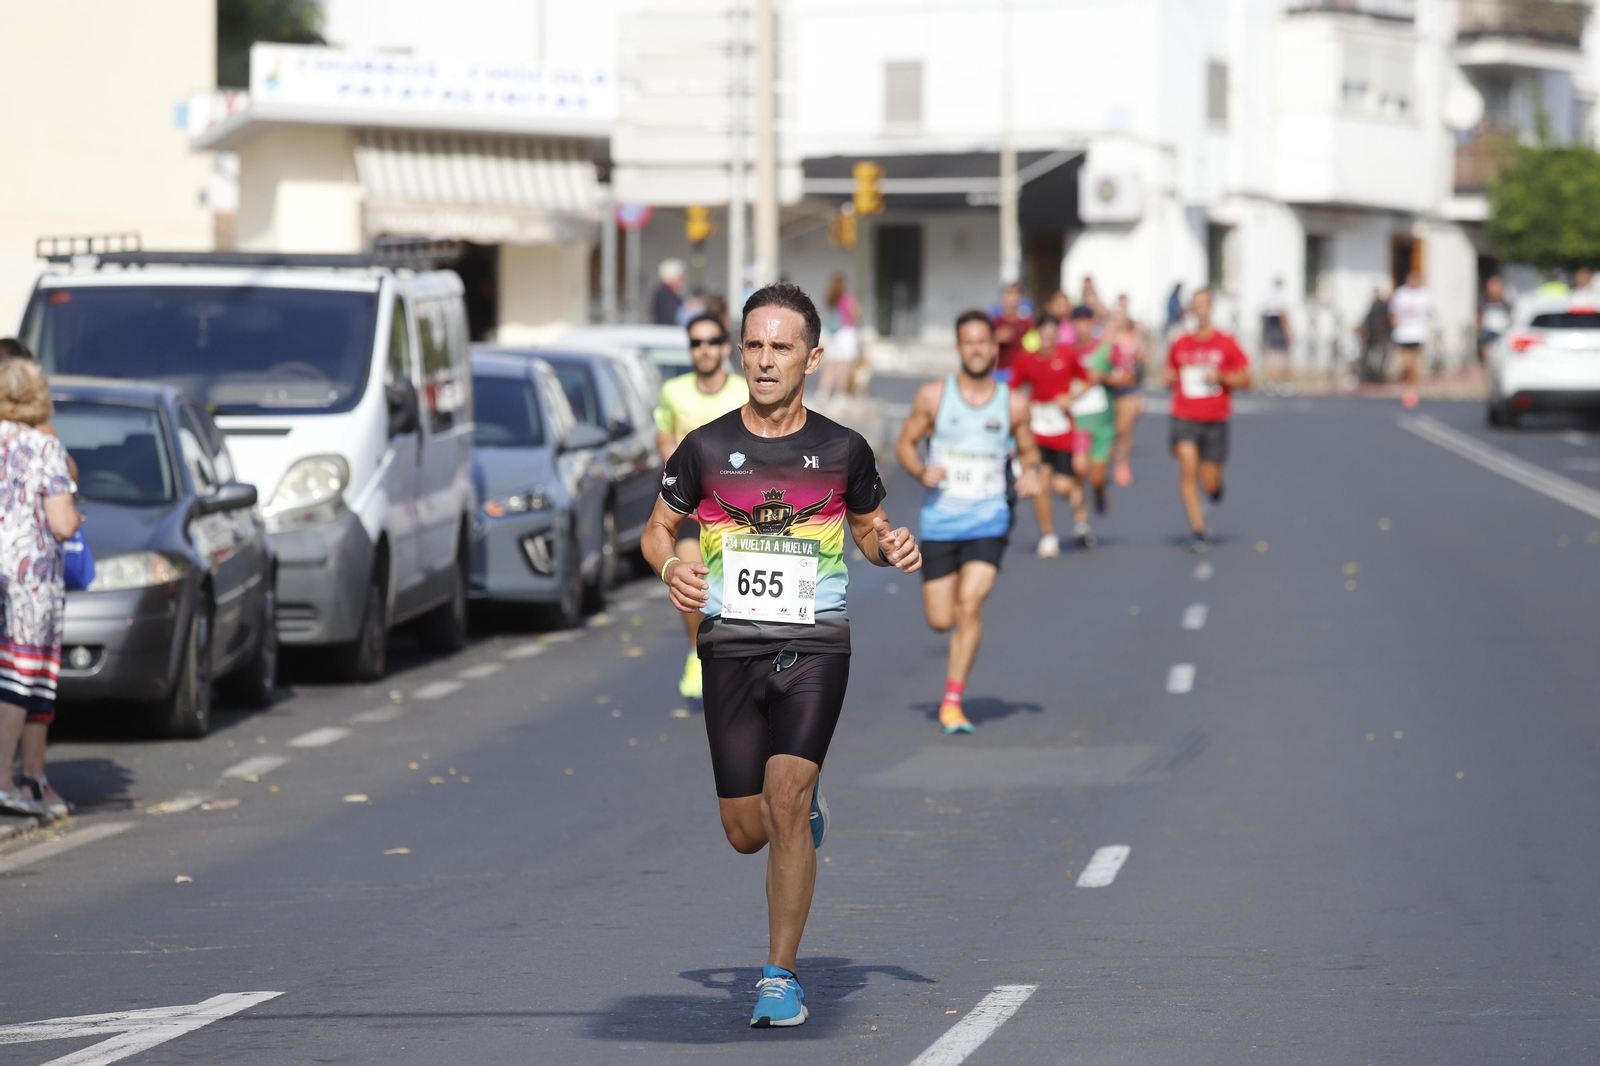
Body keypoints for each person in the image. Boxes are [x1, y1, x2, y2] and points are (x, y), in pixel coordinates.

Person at [642, 282, 921, 1029]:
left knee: (787, 801)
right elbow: (654, 532)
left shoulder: (841, 449)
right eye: (755, 347)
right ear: (740, 354)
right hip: (729, 649)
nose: (766, 362)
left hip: (814, 644)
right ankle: (799, 808)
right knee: (746, 830)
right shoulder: (702, 448)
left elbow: (868, 529)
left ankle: (779, 975)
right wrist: (673, 569)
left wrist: (889, 544)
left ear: (813, 357)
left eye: (782, 347)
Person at [895, 310, 1041, 734]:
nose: (977, 349)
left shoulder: (1013, 403)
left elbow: (1030, 452)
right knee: (941, 619)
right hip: (941, 521)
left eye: (984, 342)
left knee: (970, 604)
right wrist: (921, 470)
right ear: (959, 348)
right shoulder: (933, 397)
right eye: (969, 342)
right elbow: (905, 442)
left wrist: (1032, 471)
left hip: (990, 519)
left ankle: (953, 701)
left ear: (995, 348)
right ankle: (955, 672)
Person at [653, 313, 750, 699]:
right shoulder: (674, 392)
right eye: (696, 342)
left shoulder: (744, 391)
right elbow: (663, 435)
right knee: (691, 579)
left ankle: (744, 663)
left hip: (737, 509)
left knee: (737, 594)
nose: (704, 349)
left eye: (711, 341)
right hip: (691, 506)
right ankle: (697, 652)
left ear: (725, 347)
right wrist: (677, 464)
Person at [0, 358, 80, 818]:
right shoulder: (43, 447)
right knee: (26, 678)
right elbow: (61, 521)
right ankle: (10, 779)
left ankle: (31, 780)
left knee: (11, 672)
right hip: (31, 577)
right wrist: (73, 518)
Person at [1165, 289, 1251, 551]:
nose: (1199, 310)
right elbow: (1168, 373)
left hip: (1215, 418)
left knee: (1209, 480)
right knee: (1188, 467)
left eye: (1204, 304)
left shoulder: (1225, 342)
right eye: (1195, 305)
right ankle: (1199, 530)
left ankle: (1214, 489)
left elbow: (1247, 379)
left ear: (1211, 307)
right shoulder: (1181, 343)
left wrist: (1221, 378)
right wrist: (1169, 378)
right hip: (1185, 415)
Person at [1011, 313, 1092, 556]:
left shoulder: (1068, 356)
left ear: (1057, 336)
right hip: (1037, 432)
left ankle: (1080, 515)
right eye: (1043, 335)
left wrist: (1071, 398)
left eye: (1051, 335)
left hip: (1062, 431)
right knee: (1041, 480)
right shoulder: (1026, 360)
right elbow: (1011, 390)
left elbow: (1087, 380)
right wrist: (1026, 405)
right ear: (1037, 336)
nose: (1047, 340)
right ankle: (1048, 535)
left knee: (1067, 486)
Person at [1068, 304, 1117, 515]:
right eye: (1077, 321)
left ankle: (1099, 490)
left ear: (1093, 323)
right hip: (1078, 421)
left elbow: (1129, 377)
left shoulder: (1106, 348)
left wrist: (1104, 378)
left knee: (1097, 476)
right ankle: (1081, 523)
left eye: (1086, 321)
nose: (1082, 326)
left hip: (1103, 423)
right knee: (1079, 470)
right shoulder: (1066, 351)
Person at [1107, 302, 1144, 487]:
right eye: (1115, 318)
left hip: (1128, 387)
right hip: (1109, 388)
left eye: (1121, 318)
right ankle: (1112, 455)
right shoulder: (1106, 337)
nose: (1118, 321)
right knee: (1112, 428)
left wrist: (1139, 394)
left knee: (1125, 428)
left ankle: (1123, 463)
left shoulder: (1133, 338)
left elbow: (1141, 365)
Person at [819, 273, 861, 397]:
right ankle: (840, 393)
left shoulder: (830, 298)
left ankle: (823, 392)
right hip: (846, 332)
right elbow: (856, 314)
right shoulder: (848, 298)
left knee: (831, 365)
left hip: (833, 333)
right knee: (844, 365)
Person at [1389, 270, 1432, 385]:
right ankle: (1405, 379)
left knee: (1416, 359)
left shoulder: (1424, 293)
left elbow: (1430, 310)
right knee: (1403, 359)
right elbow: (1393, 311)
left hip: (1418, 332)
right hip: (1404, 332)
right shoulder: (1401, 293)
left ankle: (1413, 381)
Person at [989, 281, 1034, 384]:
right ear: (1002, 297)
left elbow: (1033, 347)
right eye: (1009, 293)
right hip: (998, 372)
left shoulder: (1027, 323)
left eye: (1016, 293)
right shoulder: (994, 322)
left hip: (1020, 373)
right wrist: (995, 338)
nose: (1013, 297)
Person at [1260, 276, 1292, 391]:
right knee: (1280, 354)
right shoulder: (1281, 296)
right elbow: (1283, 314)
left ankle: (1270, 381)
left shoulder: (1269, 295)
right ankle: (1281, 381)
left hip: (1268, 323)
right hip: (1277, 324)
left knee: (1270, 352)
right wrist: (1289, 331)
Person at [1358, 287, 1392, 383]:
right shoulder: (1373, 305)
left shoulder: (1386, 306)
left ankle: (1380, 376)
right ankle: (1367, 376)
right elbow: (1367, 319)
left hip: (1382, 335)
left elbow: (1388, 320)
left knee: (1382, 357)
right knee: (1367, 356)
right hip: (1371, 335)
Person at [1478, 275, 1511, 364]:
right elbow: (1480, 316)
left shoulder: (1504, 303)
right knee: (1489, 358)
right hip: (1488, 333)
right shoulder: (1485, 303)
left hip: (1501, 332)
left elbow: (1509, 316)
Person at [652, 259, 688, 326]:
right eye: (680, 276)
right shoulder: (663, 293)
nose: (683, 279)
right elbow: (670, 314)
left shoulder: (672, 291)